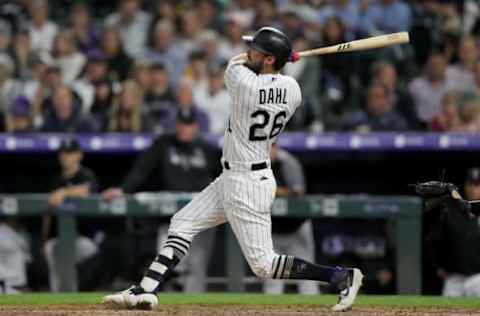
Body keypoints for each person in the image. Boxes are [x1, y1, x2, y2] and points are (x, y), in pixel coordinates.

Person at [102, 27, 363, 312]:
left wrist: (277, 60)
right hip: (236, 176)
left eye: (257, 50)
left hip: (247, 184)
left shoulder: (242, 82)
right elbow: (272, 77)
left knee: (264, 265)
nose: (250, 51)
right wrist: (280, 63)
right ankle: (146, 290)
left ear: (267, 59)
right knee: (182, 223)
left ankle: (340, 277)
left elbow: (237, 62)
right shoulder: (293, 89)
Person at [102, 109, 219, 293]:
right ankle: (166, 305)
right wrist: (123, 189)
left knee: (197, 266)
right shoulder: (164, 144)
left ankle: (195, 308)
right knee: (168, 265)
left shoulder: (207, 149)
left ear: (195, 127)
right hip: (171, 216)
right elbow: (142, 168)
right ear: (177, 125)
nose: (184, 129)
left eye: (188, 125)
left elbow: (226, 172)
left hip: (201, 214)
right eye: (181, 124)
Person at [42, 138, 99, 291]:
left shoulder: (86, 175)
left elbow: (86, 190)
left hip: (84, 239)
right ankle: (61, 300)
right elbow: (47, 215)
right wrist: (44, 238)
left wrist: (64, 192)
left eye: (69, 153)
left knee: (63, 255)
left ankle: (67, 297)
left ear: (79, 155)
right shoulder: (56, 180)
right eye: (62, 153)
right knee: (51, 248)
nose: (64, 156)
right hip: (57, 239)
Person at [264, 143, 318, 295]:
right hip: (273, 230)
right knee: (272, 281)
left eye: (270, 147)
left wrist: (268, 189)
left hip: (296, 229)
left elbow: (296, 192)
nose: (268, 151)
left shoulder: (288, 162)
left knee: (307, 278)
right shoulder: (255, 164)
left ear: (276, 147)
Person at [424, 167, 480, 297]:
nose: (474, 188)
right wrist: (438, 265)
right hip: (454, 278)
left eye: (478, 185)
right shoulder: (450, 211)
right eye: (471, 184)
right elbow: (433, 240)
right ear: (465, 186)